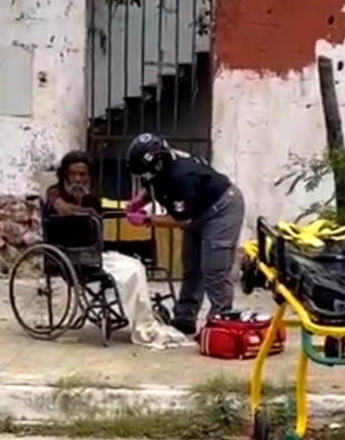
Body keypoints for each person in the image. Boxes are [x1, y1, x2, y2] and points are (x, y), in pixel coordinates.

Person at [125, 133, 245, 337]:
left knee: (214, 270)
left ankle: (220, 323)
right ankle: (185, 318)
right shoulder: (162, 163)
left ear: (156, 163)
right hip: (198, 209)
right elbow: (152, 182)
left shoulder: (180, 176)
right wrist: (140, 200)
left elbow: (182, 220)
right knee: (191, 266)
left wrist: (147, 219)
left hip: (221, 210)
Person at [44, 150, 102, 248]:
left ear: (89, 176)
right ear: (65, 175)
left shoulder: (92, 198)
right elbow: (63, 209)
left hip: (86, 249)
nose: (77, 179)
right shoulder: (54, 192)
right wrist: (88, 211)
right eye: (72, 174)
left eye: (82, 174)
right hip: (58, 248)